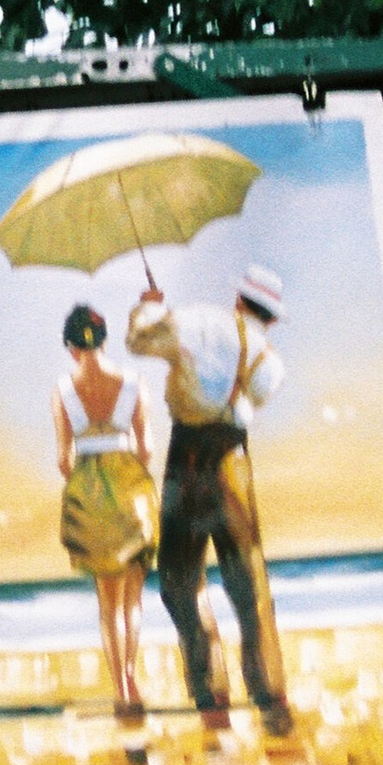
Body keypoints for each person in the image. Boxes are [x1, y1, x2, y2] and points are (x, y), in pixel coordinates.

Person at [123, 263, 292, 735]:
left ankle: (208, 689)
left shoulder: (197, 322)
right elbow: (262, 390)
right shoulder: (269, 361)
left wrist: (150, 305)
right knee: (247, 583)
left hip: (186, 458)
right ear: (272, 318)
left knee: (178, 580)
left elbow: (138, 341)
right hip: (233, 460)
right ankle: (268, 691)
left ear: (238, 299)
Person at [51, 305, 156, 717]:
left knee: (107, 602)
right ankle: (132, 674)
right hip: (132, 491)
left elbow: (62, 458)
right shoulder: (132, 383)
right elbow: (146, 448)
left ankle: (120, 688)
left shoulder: (62, 390)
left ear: (71, 347)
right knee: (132, 599)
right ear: (105, 339)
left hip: (88, 494)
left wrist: (86, 482)